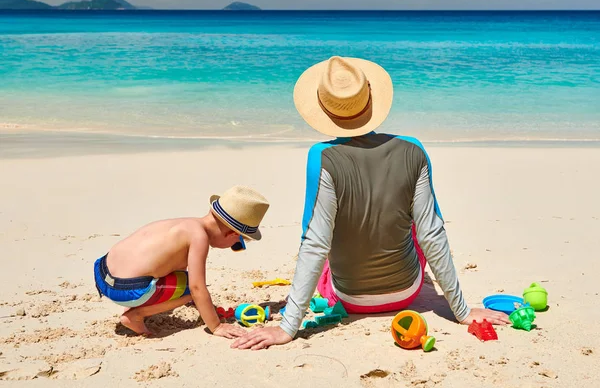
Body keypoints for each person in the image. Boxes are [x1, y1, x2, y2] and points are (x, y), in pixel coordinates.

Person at [233, 56, 509, 350]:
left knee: (326, 234)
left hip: (350, 300)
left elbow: (315, 242)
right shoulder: (413, 150)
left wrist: (288, 327)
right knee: (417, 225)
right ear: (371, 99)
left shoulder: (321, 157)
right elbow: (432, 234)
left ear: (324, 109)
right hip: (407, 293)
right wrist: (462, 311)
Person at [94, 185, 269, 337]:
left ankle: (136, 304)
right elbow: (197, 287)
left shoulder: (186, 224)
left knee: (179, 274)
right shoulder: (199, 238)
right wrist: (216, 326)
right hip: (125, 290)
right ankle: (135, 314)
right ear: (232, 234)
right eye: (238, 244)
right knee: (189, 289)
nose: (235, 246)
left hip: (102, 273)